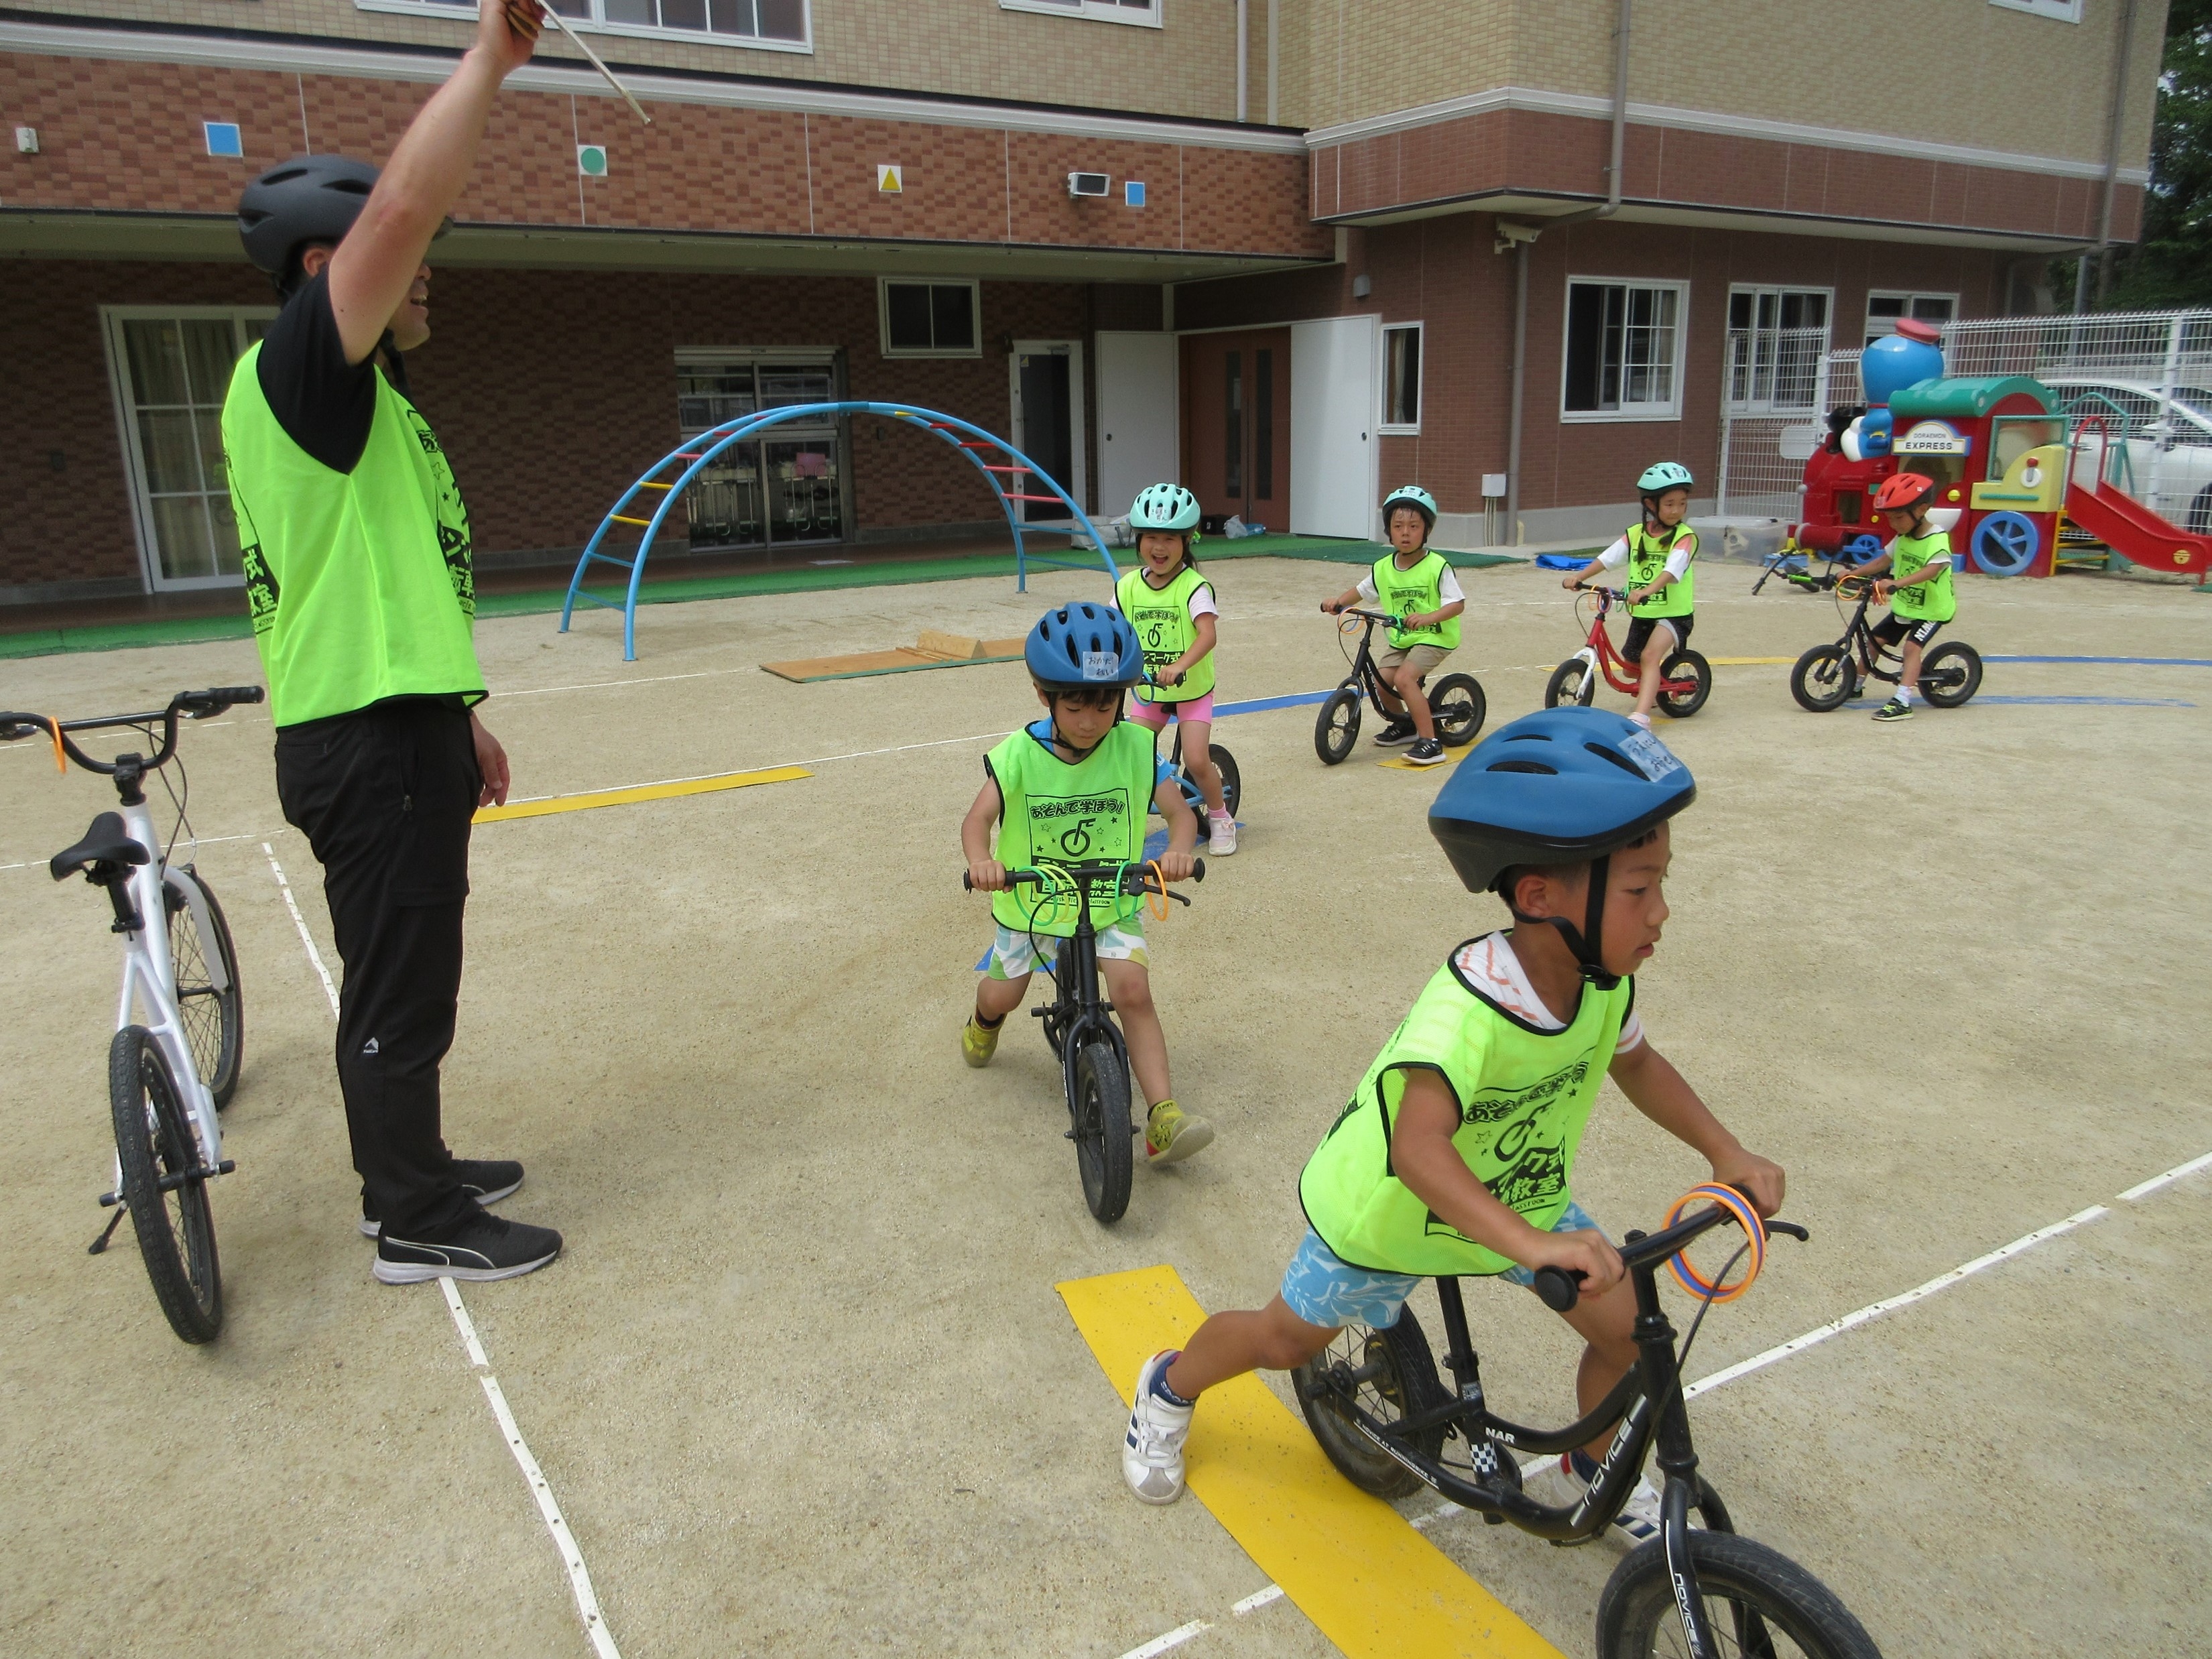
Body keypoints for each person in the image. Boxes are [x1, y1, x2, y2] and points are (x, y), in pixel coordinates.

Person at [1116, 708, 1784, 1542]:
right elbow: (1417, 1150)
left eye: (1661, 886)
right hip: (1392, 1213)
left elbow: (1638, 1062)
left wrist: (1725, 1150)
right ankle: (1169, 1386)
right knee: (1284, 1339)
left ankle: (1592, 1467)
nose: (1662, 913)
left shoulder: (1600, 982)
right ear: (1538, 897)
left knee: (1630, 1339)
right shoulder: (1469, 1011)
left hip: (1515, 1201)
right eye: (1641, 891)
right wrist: (1532, 1247)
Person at [222, 0, 562, 1284]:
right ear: (327, 267)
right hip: (364, 740)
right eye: (403, 256)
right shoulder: (304, 367)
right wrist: (489, 61)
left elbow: (387, 579)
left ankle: (406, 1175)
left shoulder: (367, 401)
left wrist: (459, 714)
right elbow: (408, 205)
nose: (425, 270)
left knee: (410, 969)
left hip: (396, 720)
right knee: (399, 986)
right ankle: (414, 1220)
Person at [961, 603, 1215, 1167]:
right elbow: (977, 820)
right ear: (1043, 694)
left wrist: (1178, 849)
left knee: (1133, 991)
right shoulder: (1018, 755)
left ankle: (1163, 1116)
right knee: (1005, 993)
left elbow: (1180, 814)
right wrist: (982, 861)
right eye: (1074, 705)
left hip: (1108, 897)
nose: (1089, 720)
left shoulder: (1136, 748)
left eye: (1105, 705)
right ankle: (983, 1019)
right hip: (1031, 898)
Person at [1115, 483, 1234, 857]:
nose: (1159, 547)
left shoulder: (1193, 587)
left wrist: (1179, 665)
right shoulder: (1127, 586)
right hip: (1148, 689)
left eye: (1170, 539)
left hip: (1191, 688)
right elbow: (1113, 631)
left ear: (1187, 541)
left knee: (1197, 759)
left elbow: (1207, 635)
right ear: (1139, 540)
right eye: (1151, 537)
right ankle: (1130, 820)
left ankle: (1220, 817)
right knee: (1131, 753)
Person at [1320, 486, 1465, 767]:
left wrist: (1428, 618)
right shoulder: (1384, 567)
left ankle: (1431, 741)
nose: (1406, 533)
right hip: (1402, 637)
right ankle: (1406, 724)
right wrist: (1338, 602)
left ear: (1426, 530)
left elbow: (1457, 605)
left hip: (1435, 636)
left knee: (1404, 679)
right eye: (1398, 527)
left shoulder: (1437, 566)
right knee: (1381, 682)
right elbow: (1362, 591)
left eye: (1414, 526)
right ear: (1389, 531)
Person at [1562, 463, 1699, 731]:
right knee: (1629, 668)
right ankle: (1654, 686)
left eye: (1682, 504)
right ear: (1650, 504)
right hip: (1644, 612)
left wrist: (1646, 591)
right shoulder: (1636, 534)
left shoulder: (1684, 537)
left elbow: (1672, 571)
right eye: (1670, 504)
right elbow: (1608, 559)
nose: (1677, 510)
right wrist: (1580, 577)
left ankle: (1641, 718)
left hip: (1674, 614)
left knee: (1649, 657)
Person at [1848, 473, 1957, 723]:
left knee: (1911, 649)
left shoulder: (1937, 538)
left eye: (1898, 517)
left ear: (1921, 510)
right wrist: (1853, 573)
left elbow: (1933, 570)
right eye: (1890, 518)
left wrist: (1896, 583)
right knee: (1873, 642)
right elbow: (1882, 561)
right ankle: (1854, 686)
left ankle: (1903, 701)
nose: (1893, 524)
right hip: (1906, 606)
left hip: (1932, 610)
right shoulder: (1903, 538)